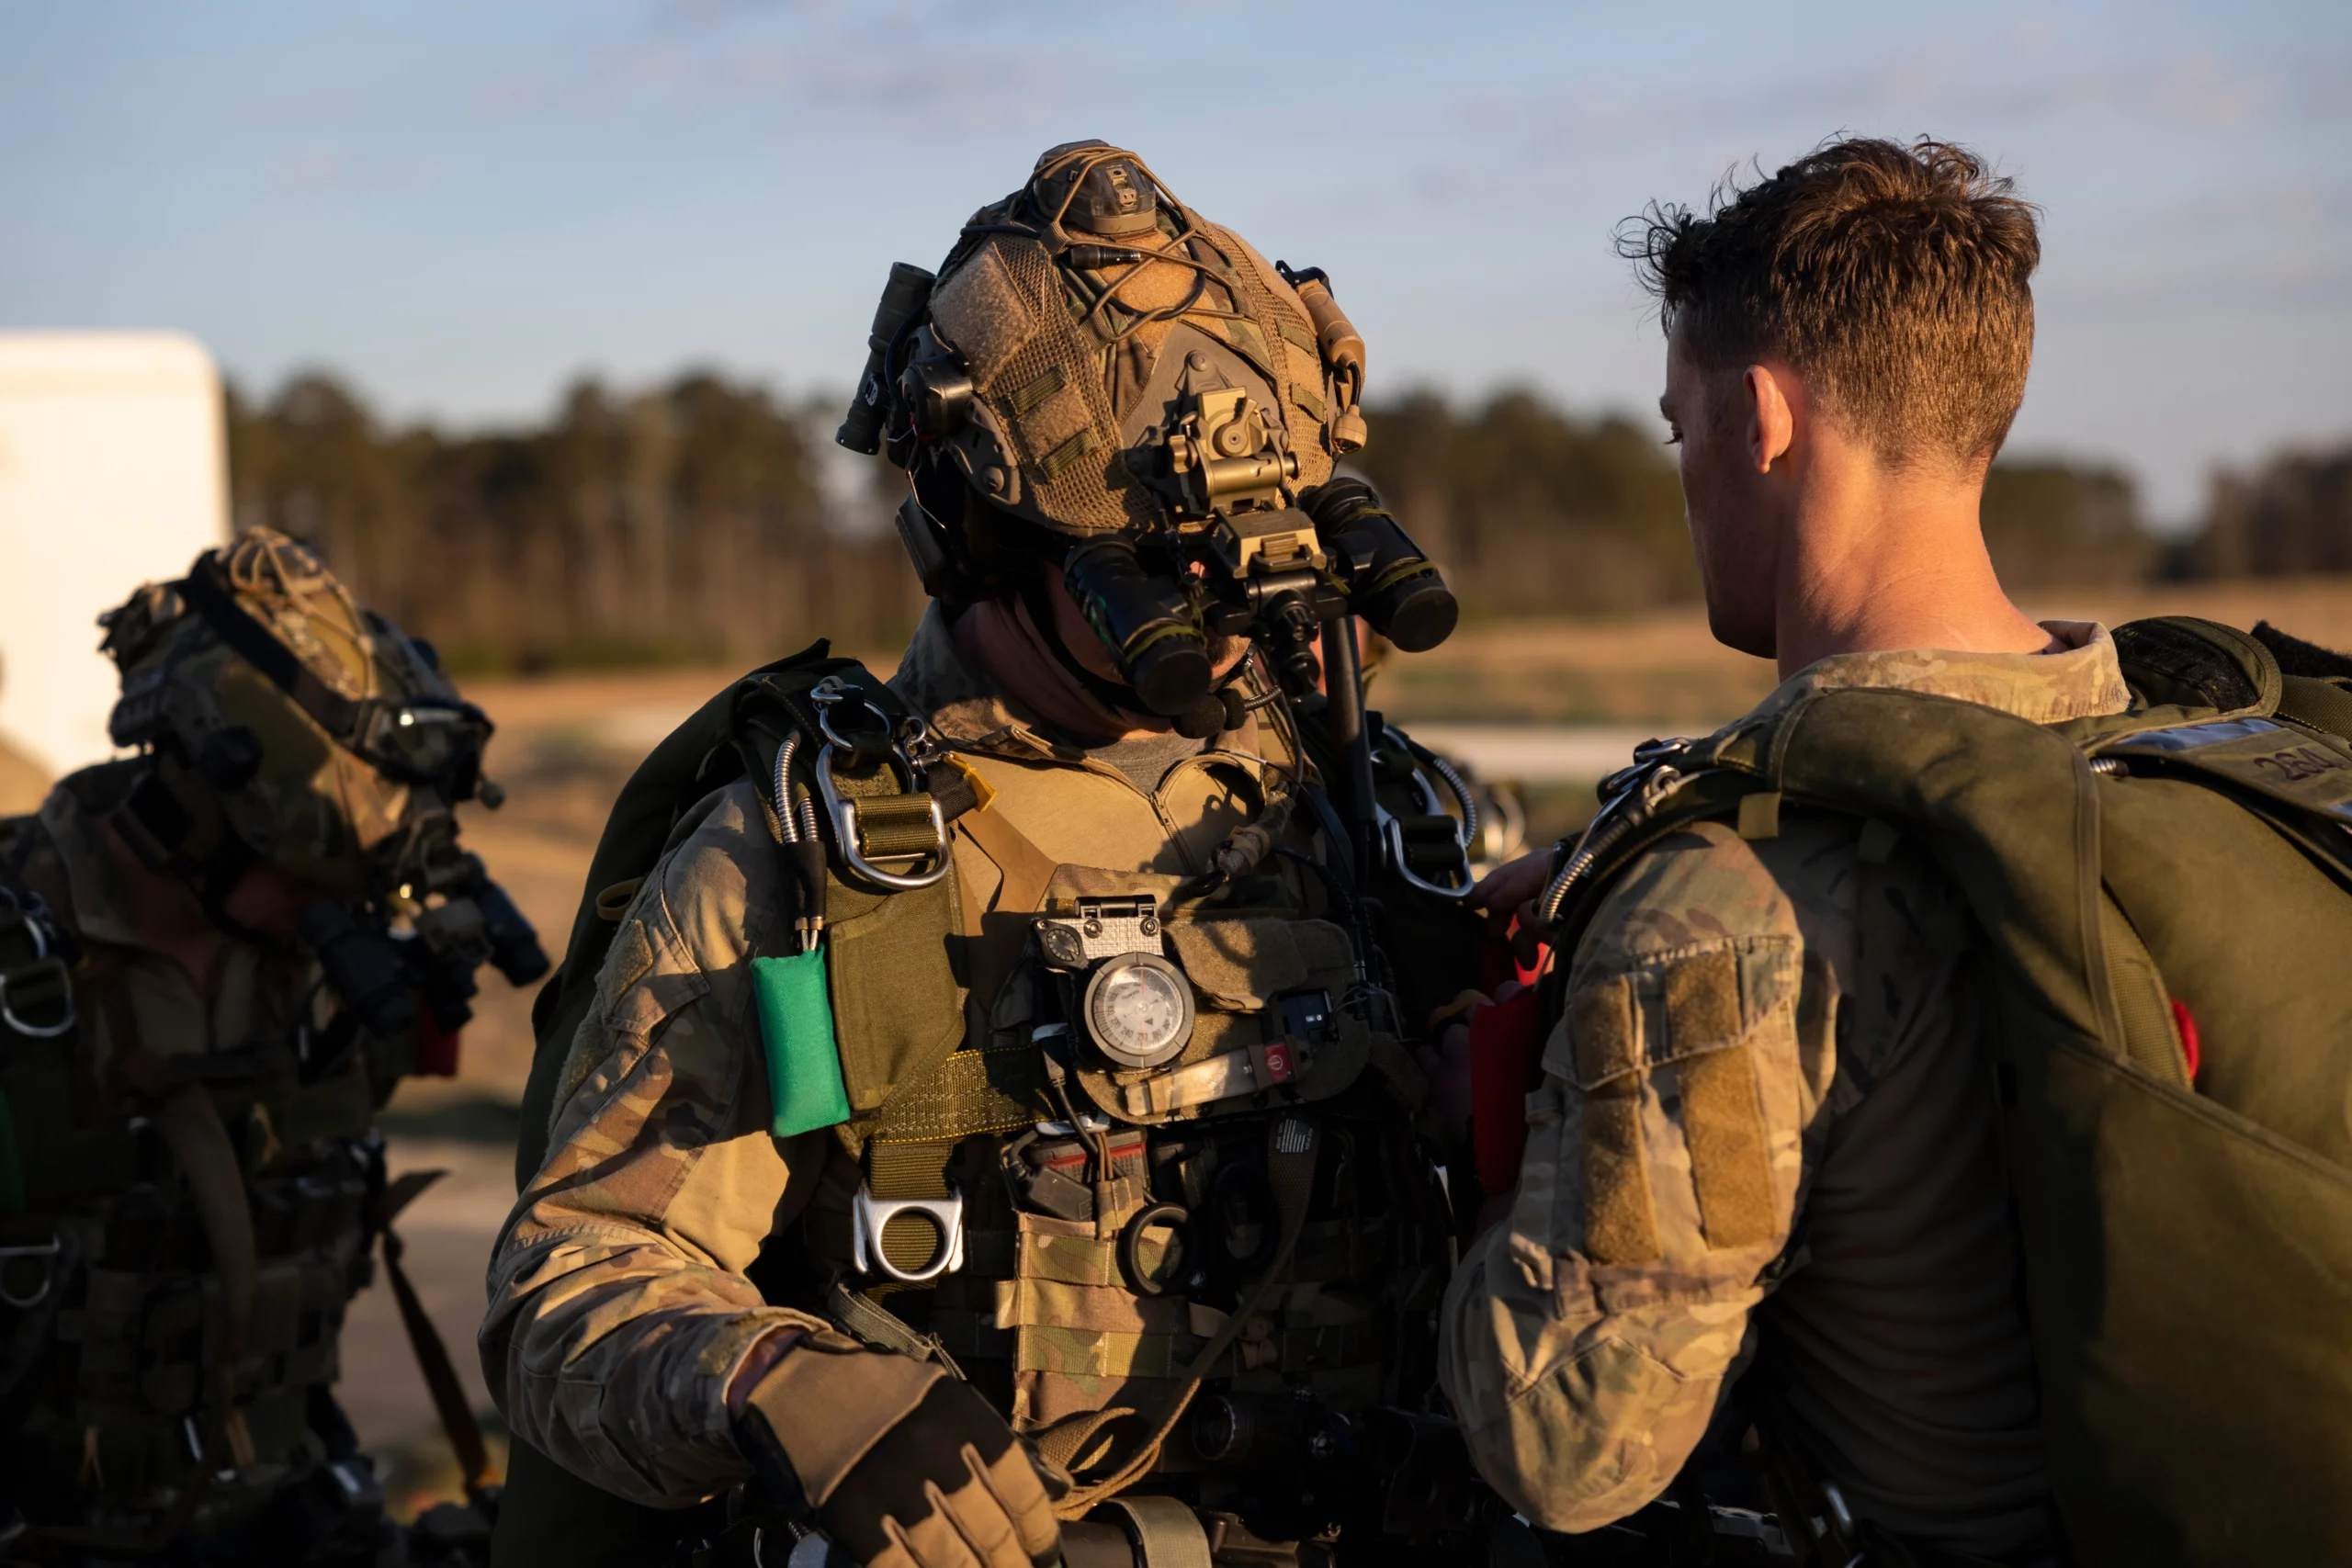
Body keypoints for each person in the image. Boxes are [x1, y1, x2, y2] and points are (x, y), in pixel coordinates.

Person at [481, 141, 1488, 1568]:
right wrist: (777, 1384)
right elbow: (567, 1288)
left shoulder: (1352, 805)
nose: (1215, 600)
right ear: (982, 535)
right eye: (1149, 560)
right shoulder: (803, 864)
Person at [1439, 138, 2096, 1563]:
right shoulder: (2158, 741)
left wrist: (1499, 1148)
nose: (1687, 475)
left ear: (1761, 417)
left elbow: (1570, 1447)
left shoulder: (1719, 915)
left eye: (1681, 431)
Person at [0, 528, 547, 1565]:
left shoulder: (323, 981)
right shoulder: (26, 983)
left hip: (287, 1517)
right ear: (188, 817)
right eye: (304, 881)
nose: (325, 919)